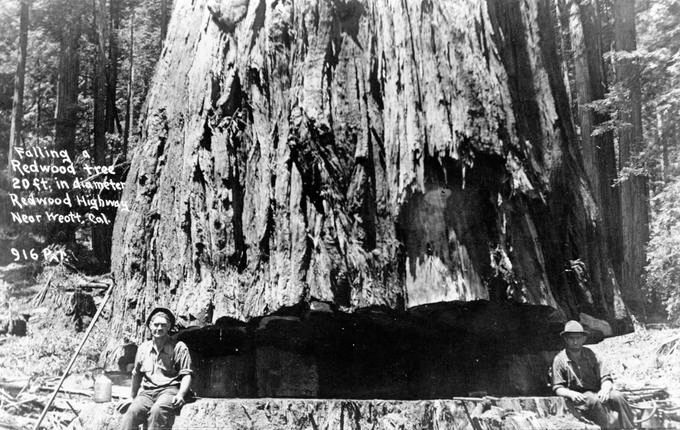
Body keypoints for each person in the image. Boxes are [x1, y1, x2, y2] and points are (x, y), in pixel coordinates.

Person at [551, 320, 635, 429]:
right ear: (566, 339)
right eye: (572, 338)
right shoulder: (560, 359)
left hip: (598, 391)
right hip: (579, 397)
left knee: (617, 396)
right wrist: (571, 394)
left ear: (583, 339)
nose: (575, 342)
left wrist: (605, 389)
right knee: (593, 399)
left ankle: (630, 427)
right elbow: (557, 387)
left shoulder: (592, 355)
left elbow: (606, 377)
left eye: (578, 338)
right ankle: (608, 427)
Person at [119, 307, 193, 430]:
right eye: (156, 324)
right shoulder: (143, 348)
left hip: (169, 391)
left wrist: (181, 395)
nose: (159, 328)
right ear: (150, 326)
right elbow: (136, 374)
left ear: (169, 327)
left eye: (163, 325)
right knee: (131, 413)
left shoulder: (179, 347)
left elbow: (186, 374)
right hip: (147, 393)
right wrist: (132, 397)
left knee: (157, 411)